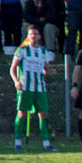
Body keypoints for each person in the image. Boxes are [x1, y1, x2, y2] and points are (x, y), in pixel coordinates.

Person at [10, 24, 55, 153]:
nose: (33, 36)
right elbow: (12, 69)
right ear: (28, 36)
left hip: (40, 88)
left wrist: (50, 72)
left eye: (35, 34)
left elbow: (45, 69)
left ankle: (46, 143)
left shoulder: (43, 52)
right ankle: (18, 142)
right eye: (31, 34)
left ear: (39, 36)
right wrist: (16, 81)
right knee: (22, 113)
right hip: (25, 87)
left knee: (44, 113)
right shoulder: (22, 50)